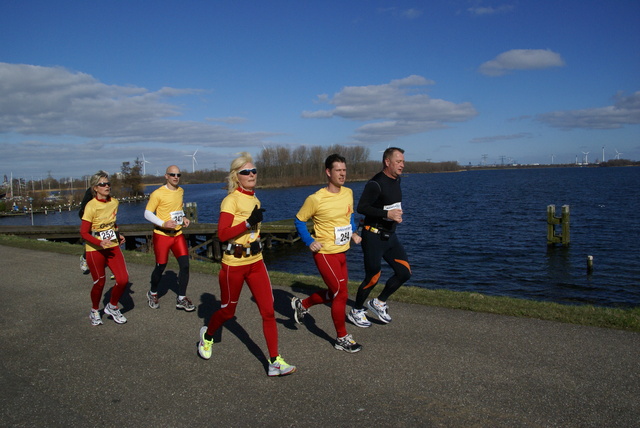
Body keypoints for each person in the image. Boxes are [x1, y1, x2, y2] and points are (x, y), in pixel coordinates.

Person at [198, 152, 296, 377]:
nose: (252, 175)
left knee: (268, 311)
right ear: (236, 176)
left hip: (257, 262)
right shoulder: (230, 200)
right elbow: (222, 235)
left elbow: (253, 231)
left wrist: (254, 233)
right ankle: (208, 335)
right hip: (234, 264)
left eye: (254, 171)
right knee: (228, 311)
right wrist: (247, 223)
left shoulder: (255, 199)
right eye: (246, 172)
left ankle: (274, 361)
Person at [291, 154, 363, 353]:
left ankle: (302, 304)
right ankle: (341, 338)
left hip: (342, 252)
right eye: (338, 170)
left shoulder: (348, 192)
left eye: (344, 170)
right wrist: (309, 240)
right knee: (341, 293)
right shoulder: (315, 199)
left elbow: (349, 215)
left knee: (334, 292)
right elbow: (299, 220)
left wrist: (354, 233)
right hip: (324, 253)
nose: (342, 174)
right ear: (328, 172)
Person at [348, 147, 411, 327]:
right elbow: (362, 207)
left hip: (390, 236)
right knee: (373, 276)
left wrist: (396, 216)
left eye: (403, 162)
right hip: (373, 235)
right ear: (387, 162)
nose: (402, 165)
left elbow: (391, 205)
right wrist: (387, 214)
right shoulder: (375, 183)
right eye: (398, 161)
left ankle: (379, 302)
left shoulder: (396, 181)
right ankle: (356, 310)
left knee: (404, 272)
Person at [79, 171, 129, 325]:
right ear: (95, 188)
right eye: (102, 184)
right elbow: (83, 233)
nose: (106, 186)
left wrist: (118, 234)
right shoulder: (91, 206)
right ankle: (94, 310)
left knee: (123, 279)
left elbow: (112, 222)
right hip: (95, 249)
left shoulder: (114, 202)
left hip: (112, 246)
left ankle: (112, 306)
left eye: (108, 184)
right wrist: (99, 242)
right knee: (100, 282)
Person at [144, 165, 194, 311]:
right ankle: (152, 292)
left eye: (178, 174)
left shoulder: (181, 191)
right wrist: (163, 223)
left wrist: (183, 217)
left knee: (185, 265)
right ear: (166, 176)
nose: (176, 177)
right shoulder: (157, 193)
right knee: (161, 267)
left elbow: (177, 208)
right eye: (172, 174)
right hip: (162, 235)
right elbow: (147, 213)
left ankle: (181, 298)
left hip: (177, 235)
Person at [79, 186, 94, 275]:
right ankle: (84, 258)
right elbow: (83, 206)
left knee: (109, 241)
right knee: (91, 241)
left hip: (102, 220)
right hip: (90, 218)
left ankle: (114, 269)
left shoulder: (106, 193)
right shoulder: (90, 192)